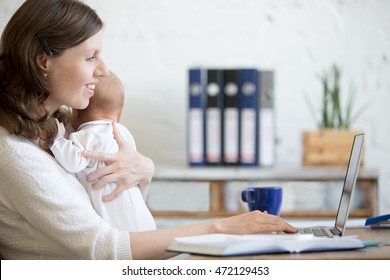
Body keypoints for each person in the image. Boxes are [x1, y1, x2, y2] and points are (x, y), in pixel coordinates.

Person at [0, 0, 297, 260]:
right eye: (90, 57)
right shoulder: (13, 153)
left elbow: (114, 216)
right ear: (43, 61)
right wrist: (221, 227)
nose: (102, 70)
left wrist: (144, 171)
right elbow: (107, 248)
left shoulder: (62, 129)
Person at [50, 71, 156, 232]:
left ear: (76, 113)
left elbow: (73, 162)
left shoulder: (87, 134)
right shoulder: (125, 136)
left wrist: (57, 140)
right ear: (120, 114)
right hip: (144, 220)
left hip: (113, 221)